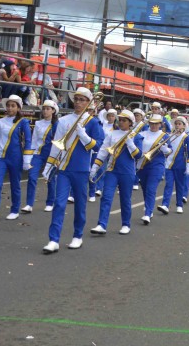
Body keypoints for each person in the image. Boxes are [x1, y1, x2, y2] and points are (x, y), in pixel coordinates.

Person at [42, 87, 105, 254]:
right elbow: (57, 144)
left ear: (88, 102)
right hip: (63, 168)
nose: (78, 102)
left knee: (79, 205)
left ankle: (77, 236)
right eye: (76, 99)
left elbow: (98, 145)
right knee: (59, 204)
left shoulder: (93, 122)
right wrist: (49, 166)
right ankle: (53, 239)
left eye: (82, 100)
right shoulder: (63, 120)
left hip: (81, 169)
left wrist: (83, 135)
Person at [89, 110, 142, 236]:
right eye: (120, 120)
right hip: (112, 170)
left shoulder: (136, 136)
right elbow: (103, 150)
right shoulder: (112, 134)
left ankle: (125, 224)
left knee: (125, 198)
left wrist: (130, 143)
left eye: (124, 120)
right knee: (106, 197)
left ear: (130, 122)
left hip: (127, 172)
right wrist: (95, 166)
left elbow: (138, 155)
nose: (121, 122)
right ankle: (101, 224)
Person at [0, 95, 31, 222]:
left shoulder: (23, 122)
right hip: (1, 157)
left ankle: (15, 210)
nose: (9, 108)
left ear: (18, 108)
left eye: (13, 106)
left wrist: (27, 159)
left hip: (16, 157)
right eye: (8, 105)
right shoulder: (0, 121)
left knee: (15, 184)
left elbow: (28, 141)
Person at [25, 100, 59, 212]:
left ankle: (50, 202)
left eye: (48, 109)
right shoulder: (38, 123)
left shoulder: (57, 124)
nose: (45, 111)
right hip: (38, 154)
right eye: (44, 109)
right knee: (32, 176)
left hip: (51, 154)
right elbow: (34, 140)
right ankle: (29, 204)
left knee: (50, 178)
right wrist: (29, 157)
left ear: (53, 111)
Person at [135, 114, 170, 225]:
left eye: (156, 123)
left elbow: (169, 151)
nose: (154, 125)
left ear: (160, 124)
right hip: (142, 164)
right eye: (152, 123)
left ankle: (147, 213)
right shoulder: (142, 134)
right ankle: (148, 208)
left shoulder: (164, 136)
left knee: (151, 188)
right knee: (145, 188)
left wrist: (164, 148)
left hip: (157, 164)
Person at [159, 116, 189, 215]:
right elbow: (168, 150)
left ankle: (179, 205)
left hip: (181, 165)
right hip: (169, 164)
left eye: (179, 124)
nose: (177, 126)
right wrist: (164, 148)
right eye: (176, 124)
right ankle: (165, 204)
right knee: (168, 184)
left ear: (184, 126)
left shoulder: (187, 138)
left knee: (179, 185)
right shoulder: (170, 136)